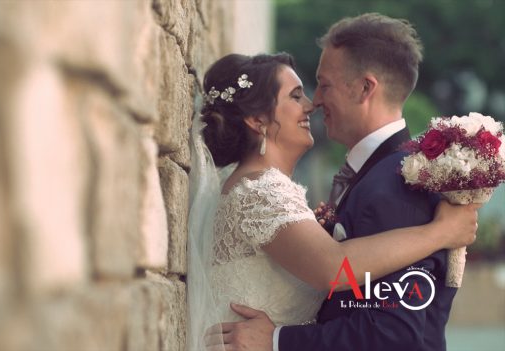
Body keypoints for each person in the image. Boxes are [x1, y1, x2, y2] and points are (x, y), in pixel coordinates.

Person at [197, 13, 478, 351]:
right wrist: (441, 233)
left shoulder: (397, 185)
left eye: (323, 85)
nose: (314, 103)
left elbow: (392, 335)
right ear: (257, 121)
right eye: (297, 95)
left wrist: (276, 340)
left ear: (364, 88)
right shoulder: (263, 188)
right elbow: (331, 267)